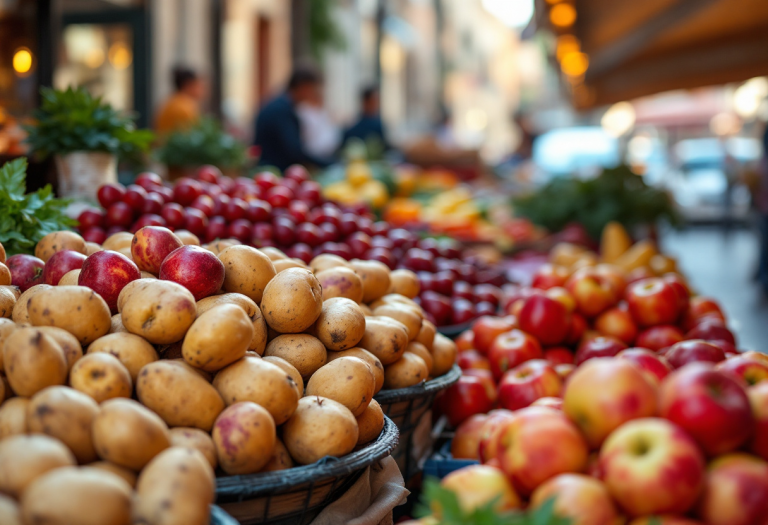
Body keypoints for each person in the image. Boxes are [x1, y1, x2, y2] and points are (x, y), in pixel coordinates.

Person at [253, 65, 334, 171]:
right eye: (313, 89)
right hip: (274, 172)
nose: (314, 93)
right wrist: (328, 163)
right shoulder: (281, 110)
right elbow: (295, 151)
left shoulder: (281, 105)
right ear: (304, 86)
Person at [155, 67, 204, 134]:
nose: (202, 89)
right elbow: (191, 136)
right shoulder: (184, 108)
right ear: (188, 85)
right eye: (198, 85)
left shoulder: (171, 101)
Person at [341, 86, 390, 151]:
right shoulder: (375, 125)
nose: (376, 105)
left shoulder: (378, 122)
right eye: (373, 102)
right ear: (365, 102)